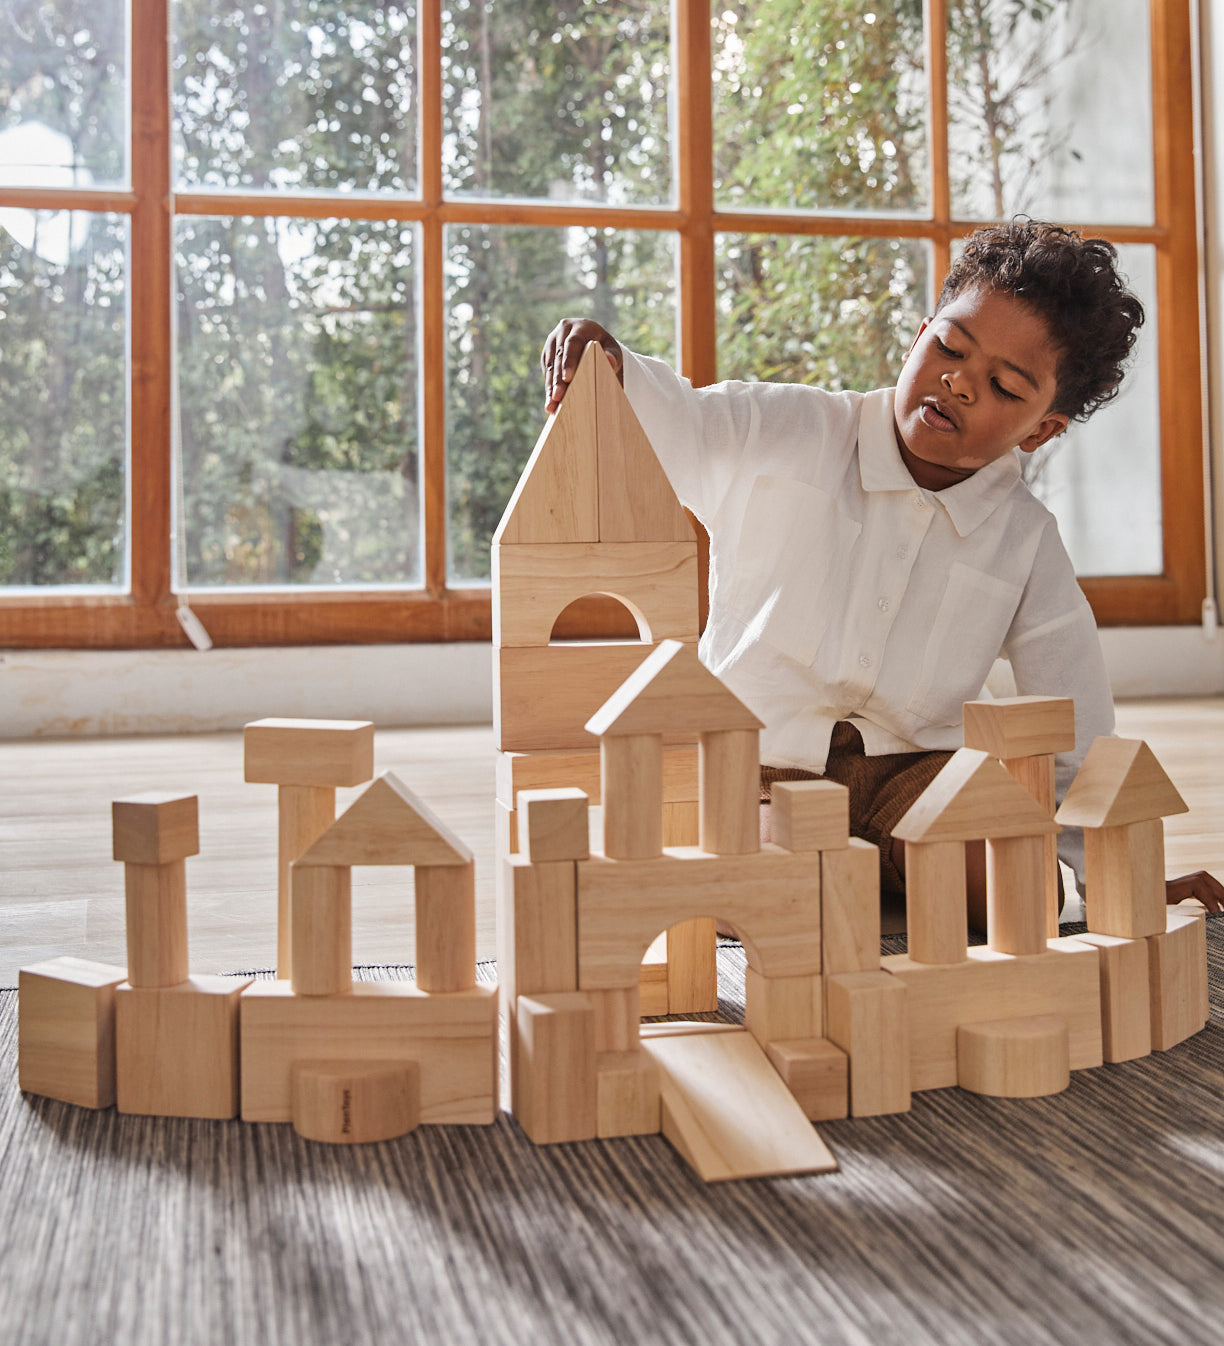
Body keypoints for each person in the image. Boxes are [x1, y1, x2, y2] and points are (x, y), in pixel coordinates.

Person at [540, 219, 1224, 921]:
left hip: (920, 772)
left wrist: (1116, 877)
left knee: (1025, 888)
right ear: (920, 334)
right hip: (762, 765)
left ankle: (881, 873)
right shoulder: (794, 429)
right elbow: (683, 422)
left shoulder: (1026, 539)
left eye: (1005, 388)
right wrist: (615, 366)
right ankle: (837, 877)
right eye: (949, 347)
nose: (957, 382)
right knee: (773, 878)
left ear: (1043, 429)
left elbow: (1076, 722)